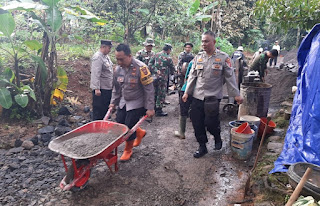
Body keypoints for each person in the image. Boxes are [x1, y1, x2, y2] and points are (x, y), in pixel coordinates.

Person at [182, 31, 243, 158]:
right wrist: (187, 92)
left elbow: (230, 78)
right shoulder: (198, 57)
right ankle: (202, 146)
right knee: (197, 122)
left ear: (214, 42)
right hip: (197, 96)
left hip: (213, 97)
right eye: (202, 41)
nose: (204, 44)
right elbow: (192, 76)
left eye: (207, 41)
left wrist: (236, 95)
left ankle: (217, 136)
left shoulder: (223, 58)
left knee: (211, 122)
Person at [109, 44, 155, 161]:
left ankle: (128, 150)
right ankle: (139, 132)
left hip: (137, 101)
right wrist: (113, 103)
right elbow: (116, 88)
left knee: (128, 125)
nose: (119, 62)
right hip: (124, 101)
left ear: (129, 56)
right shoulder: (118, 69)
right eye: (117, 59)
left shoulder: (141, 68)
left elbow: (149, 89)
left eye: (121, 59)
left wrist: (150, 107)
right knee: (119, 122)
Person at [148, 43, 175, 117]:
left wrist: (156, 70)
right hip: (163, 78)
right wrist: (174, 75)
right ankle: (159, 110)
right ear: (169, 50)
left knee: (154, 92)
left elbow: (150, 64)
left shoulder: (156, 55)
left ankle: (153, 108)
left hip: (154, 77)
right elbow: (172, 68)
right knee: (161, 93)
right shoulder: (168, 58)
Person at [90, 40, 113, 120]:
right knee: (98, 109)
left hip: (107, 88)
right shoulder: (98, 57)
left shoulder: (106, 57)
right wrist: (96, 88)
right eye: (109, 48)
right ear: (103, 47)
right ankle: (97, 126)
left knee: (105, 109)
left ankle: (103, 126)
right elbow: (95, 73)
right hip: (101, 89)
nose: (110, 50)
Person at [174, 59, 194, 139]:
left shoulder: (194, 61)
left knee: (183, 110)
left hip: (187, 89)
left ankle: (181, 132)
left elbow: (186, 76)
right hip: (201, 91)